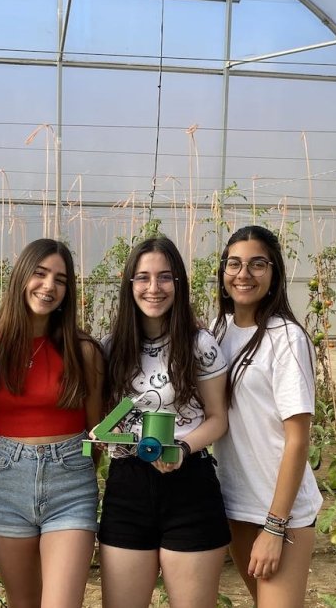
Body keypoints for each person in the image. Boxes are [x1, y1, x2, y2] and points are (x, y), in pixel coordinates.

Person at [0, 238, 103, 608]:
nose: (49, 286)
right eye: (40, 274)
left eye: (60, 279)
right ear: (21, 278)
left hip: (70, 487)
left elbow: (95, 438)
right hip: (5, 487)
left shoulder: (84, 351)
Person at [98, 236, 231, 608]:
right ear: (130, 285)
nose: (153, 288)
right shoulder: (111, 348)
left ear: (179, 283)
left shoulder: (199, 344)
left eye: (165, 277)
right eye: (143, 278)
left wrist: (183, 448)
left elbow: (218, 419)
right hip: (128, 487)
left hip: (189, 485)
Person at [211, 225, 321, 607]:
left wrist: (275, 527)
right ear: (223, 272)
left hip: (280, 512)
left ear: (274, 274)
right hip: (236, 502)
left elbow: (298, 439)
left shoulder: (286, 338)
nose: (244, 274)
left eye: (258, 264)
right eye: (234, 264)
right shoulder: (217, 332)